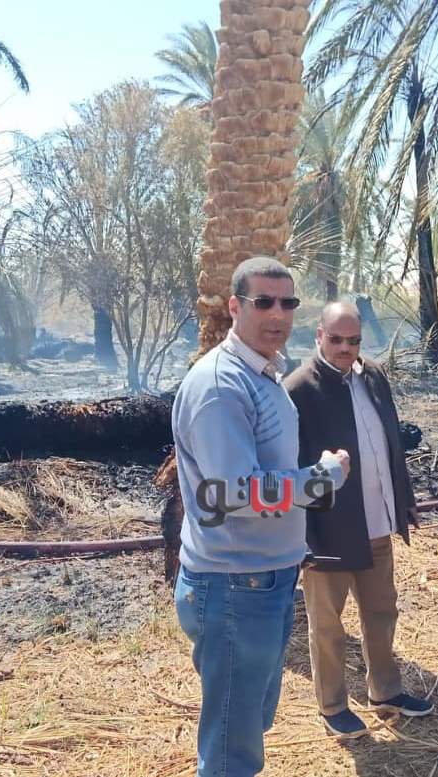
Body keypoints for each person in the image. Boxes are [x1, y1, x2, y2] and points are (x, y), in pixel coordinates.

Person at [172, 256, 351, 777]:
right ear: (234, 307)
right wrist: (321, 478)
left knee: (246, 722)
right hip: (235, 586)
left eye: (287, 302)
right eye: (263, 301)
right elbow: (234, 492)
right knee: (232, 747)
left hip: (259, 581)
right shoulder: (222, 387)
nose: (278, 313)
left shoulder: (260, 374)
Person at [285, 302, 433, 739]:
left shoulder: (373, 377)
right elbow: (288, 468)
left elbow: (390, 445)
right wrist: (300, 535)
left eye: (353, 341)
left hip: (376, 523)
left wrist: (403, 500)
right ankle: (332, 705)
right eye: (336, 339)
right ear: (319, 335)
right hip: (327, 532)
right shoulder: (297, 389)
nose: (345, 349)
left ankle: (386, 692)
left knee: (381, 612)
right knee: (328, 625)